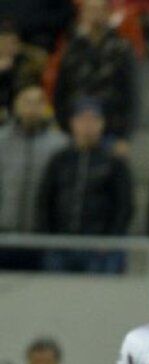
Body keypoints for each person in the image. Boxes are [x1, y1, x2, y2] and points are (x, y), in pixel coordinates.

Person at [36, 98, 133, 274]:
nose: (87, 125)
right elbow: (45, 200)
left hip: (97, 249)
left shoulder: (113, 162)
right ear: (73, 123)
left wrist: (110, 240)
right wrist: (47, 237)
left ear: (102, 124)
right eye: (82, 119)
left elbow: (124, 205)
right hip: (60, 245)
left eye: (93, 120)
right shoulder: (59, 160)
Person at [52, 0, 137, 155]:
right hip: (74, 131)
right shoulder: (71, 49)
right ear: (81, 15)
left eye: (99, 10)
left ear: (108, 14)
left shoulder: (122, 49)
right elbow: (60, 92)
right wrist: (64, 126)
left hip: (111, 132)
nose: (95, 15)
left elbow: (131, 94)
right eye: (90, 10)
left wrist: (125, 137)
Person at [0, 86, 68, 240]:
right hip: (5, 230)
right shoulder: (2, 141)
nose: (32, 108)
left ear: (45, 107)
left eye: (38, 103)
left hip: (43, 232)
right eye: (27, 102)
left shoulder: (59, 144)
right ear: (16, 105)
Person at [0, 20, 47, 126]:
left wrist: (11, 71)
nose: (7, 47)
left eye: (12, 43)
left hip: (20, 112)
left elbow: (26, 91)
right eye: (3, 43)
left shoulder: (27, 64)